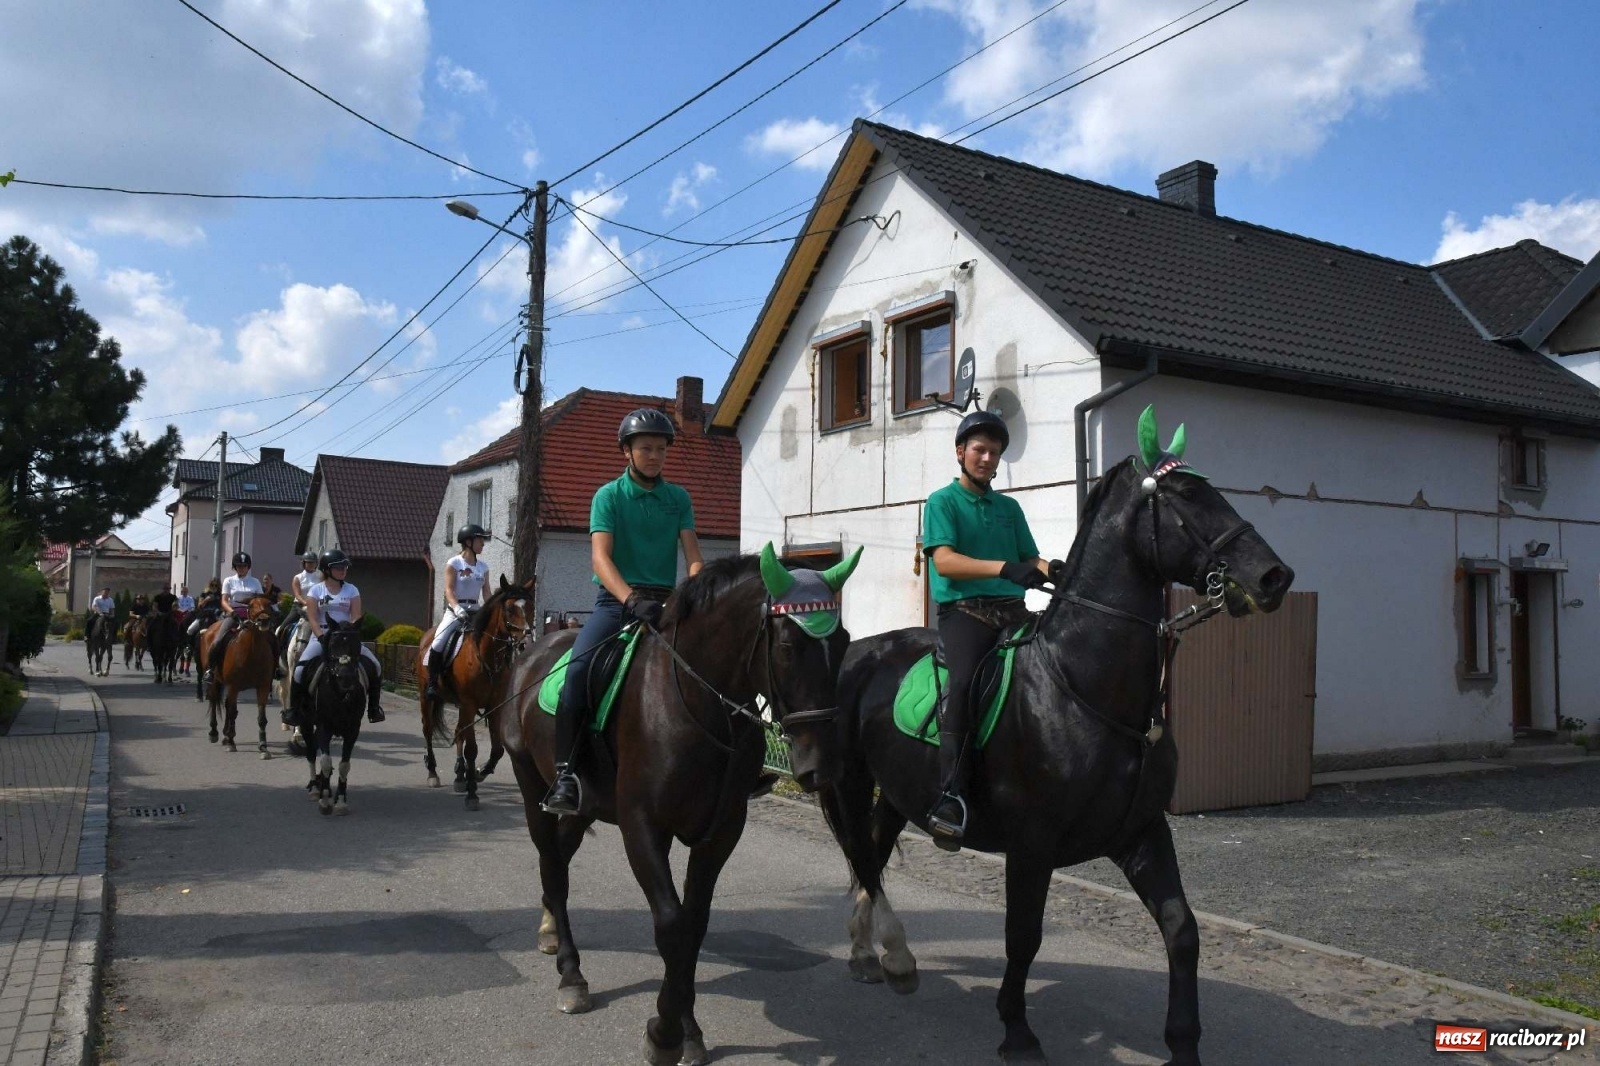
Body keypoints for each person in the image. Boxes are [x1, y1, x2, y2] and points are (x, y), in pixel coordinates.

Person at [542, 407, 703, 817]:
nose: (655, 456)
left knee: (717, 660)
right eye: (646, 448)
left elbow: (694, 558)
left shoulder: (678, 498)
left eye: (661, 449)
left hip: (667, 602)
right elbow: (601, 560)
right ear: (626, 452)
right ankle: (566, 775)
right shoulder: (608, 497)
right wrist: (631, 599)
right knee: (578, 672)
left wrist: (697, 590)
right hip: (616, 603)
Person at [922, 410, 1053, 851]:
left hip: (1012, 611)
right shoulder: (942, 502)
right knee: (962, 685)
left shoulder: (1009, 508)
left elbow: (1030, 558)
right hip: (965, 614)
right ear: (961, 453)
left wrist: (1056, 569)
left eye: (994, 453)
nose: (986, 458)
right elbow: (944, 561)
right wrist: (1003, 567)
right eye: (979, 449)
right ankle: (951, 796)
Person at [288, 549, 385, 725]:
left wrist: (352, 633)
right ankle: (294, 711)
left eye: (345, 567)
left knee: (376, 666)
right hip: (322, 636)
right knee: (299, 670)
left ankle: (373, 709)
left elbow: (355, 615)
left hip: (346, 639)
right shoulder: (316, 591)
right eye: (339, 567)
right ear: (327, 569)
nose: (343, 570)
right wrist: (320, 637)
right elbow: (313, 618)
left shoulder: (352, 590)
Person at [422, 523, 491, 704]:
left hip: (476, 611)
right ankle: (432, 683)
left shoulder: (483, 567)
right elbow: (449, 590)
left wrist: (490, 610)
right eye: (480, 540)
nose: (483, 543)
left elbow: (487, 594)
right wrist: (457, 608)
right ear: (468, 542)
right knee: (438, 642)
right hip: (456, 611)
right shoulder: (454, 563)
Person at [203, 552, 264, 685]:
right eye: (239, 566)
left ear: (248, 567)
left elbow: (260, 600)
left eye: (244, 566)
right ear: (235, 567)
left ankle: (275, 669)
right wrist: (231, 611)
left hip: (252, 615)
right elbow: (224, 601)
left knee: (269, 638)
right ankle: (210, 669)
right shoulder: (228, 581)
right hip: (234, 614)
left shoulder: (255, 582)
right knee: (218, 640)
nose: (242, 568)